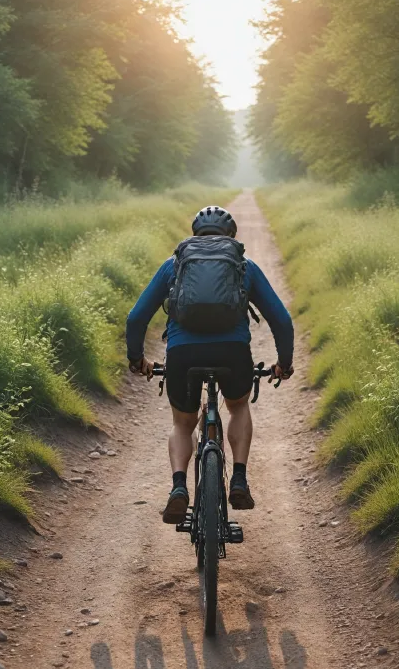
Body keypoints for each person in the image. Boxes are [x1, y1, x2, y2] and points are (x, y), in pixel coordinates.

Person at [126, 205, 294, 524]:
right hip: (232, 353)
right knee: (238, 406)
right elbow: (281, 320)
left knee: (182, 424)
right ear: (231, 236)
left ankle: (179, 487)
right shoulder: (244, 266)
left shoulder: (174, 265)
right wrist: (283, 364)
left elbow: (136, 318)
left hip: (183, 354)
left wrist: (137, 360)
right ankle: (239, 479)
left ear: (195, 234)